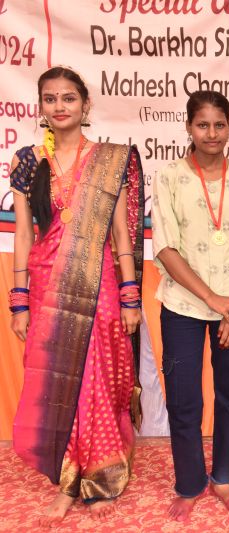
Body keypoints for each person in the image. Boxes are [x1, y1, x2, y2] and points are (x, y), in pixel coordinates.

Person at [9, 66, 144, 526]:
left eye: (69, 98)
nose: (60, 106)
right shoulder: (28, 162)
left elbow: (121, 233)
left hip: (99, 282)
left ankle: (101, 475)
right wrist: (19, 300)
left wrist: (130, 296)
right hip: (46, 283)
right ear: (41, 106)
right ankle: (68, 481)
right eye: (50, 98)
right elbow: (24, 234)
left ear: (86, 105)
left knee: (96, 379)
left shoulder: (108, 159)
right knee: (57, 382)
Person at [151, 90, 229, 521]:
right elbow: (166, 248)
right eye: (203, 125)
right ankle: (189, 482)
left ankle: (224, 477)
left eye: (219, 125)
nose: (211, 133)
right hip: (183, 304)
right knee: (184, 399)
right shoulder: (169, 177)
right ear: (188, 127)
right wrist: (213, 299)